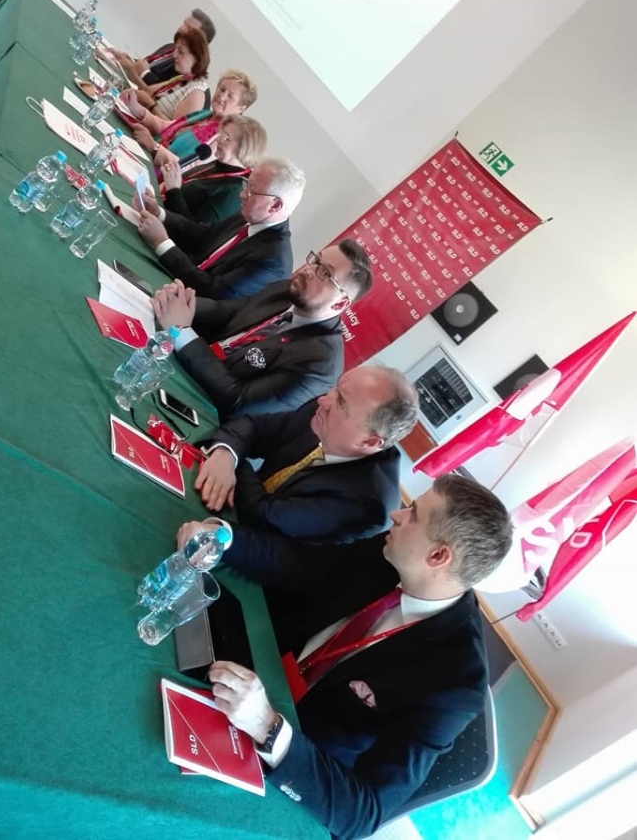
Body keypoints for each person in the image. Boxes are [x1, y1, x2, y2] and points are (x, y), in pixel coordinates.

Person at [205, 476, 513, 840]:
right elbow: (301, 565)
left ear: (437, 556)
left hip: (290, 760)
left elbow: (364, 815)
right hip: (255, 673)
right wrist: (223, 538)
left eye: (413, 514)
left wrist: (268, 729)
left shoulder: (456, 682)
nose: (397, 515)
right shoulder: (390, 551)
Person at [177, 366, 418, 590]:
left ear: (369, 441)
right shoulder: (322, 412)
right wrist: (226, 454)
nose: (324, 400)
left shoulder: (369, 501)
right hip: (233, 510)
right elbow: (254, 427)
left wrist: (235, 464)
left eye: (341, 403)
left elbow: (264, 514)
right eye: (336, 388)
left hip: (260, 578)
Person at [151, 240, 372, 416]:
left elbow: (237, 400)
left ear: (340, 304)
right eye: (316, 260)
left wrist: (180, 330)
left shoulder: (321, 362)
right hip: (187, 367)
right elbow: (226, 312)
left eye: (324, 273)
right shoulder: (289, 290)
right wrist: (182, 301)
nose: (309, 270)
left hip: (202, 409)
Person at [137, 157, 304, 299]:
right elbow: (203, 236)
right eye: (247, 185)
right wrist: (159, 213)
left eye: (251, 190)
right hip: (175, 281)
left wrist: (162, 243)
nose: (241, 194)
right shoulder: (251, 216)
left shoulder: (273, 261)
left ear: (275, 205)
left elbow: (212, 290)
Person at [139, 114, 267, 224]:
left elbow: (193, 230)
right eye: (221, 134)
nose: (218, 140)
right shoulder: (217, 164)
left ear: (243, 149)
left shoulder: (235, 190)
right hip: (155, 212)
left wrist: (173, 191)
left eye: (227, 138)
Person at [131, 69, 258, 168]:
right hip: (148, 157)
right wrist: (139, 111)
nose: (222, 96)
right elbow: (168, 127)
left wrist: (153, 147)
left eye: (230, 96)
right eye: (222, 89)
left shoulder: (222, 138)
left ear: (241, 108)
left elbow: (185, 167)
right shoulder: (204, 114)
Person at [118, 27, 210, 125]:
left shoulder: (196, 94)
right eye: (176, 49)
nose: (174, 55)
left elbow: (174, 129)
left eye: (181, 52)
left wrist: (151, 106)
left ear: (196, 58)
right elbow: (147, 91)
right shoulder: (182, 78)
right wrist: (130, 69)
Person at [109, 7, 216, 86]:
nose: (181, 28)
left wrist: (144, 73)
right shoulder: (170, 46)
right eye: (184, 23)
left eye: (188, 27)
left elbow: (163, 91)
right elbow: (146, 64)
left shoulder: (187, 65)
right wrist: (129, 59)